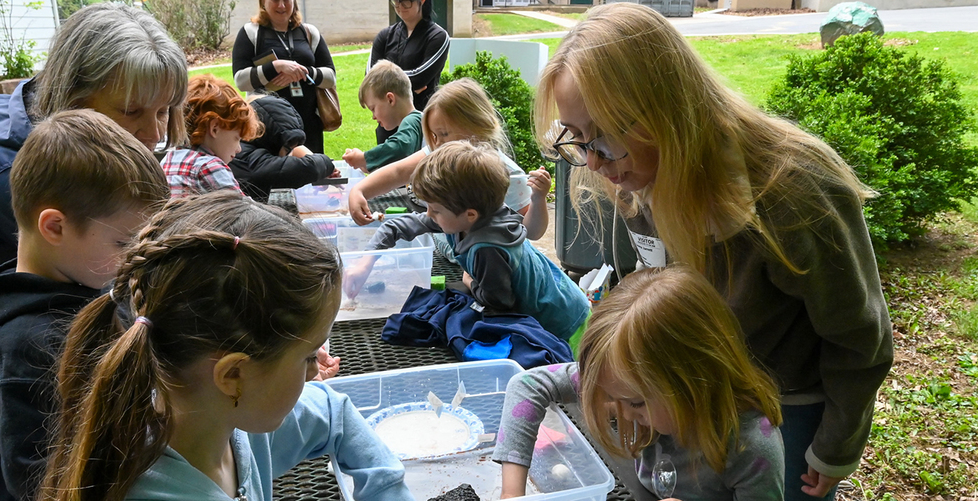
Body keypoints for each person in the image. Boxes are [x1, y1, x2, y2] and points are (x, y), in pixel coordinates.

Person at [535, 4, 893, 499]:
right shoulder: (633, 177)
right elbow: (644, 287)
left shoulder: (793, 191)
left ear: (667, 108)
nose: (593, 162)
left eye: (606, 135)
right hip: (686, 399)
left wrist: (836, 446)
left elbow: (858, 336)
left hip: (782, 410)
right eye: (577, 137)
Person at [37, 191, 412, 501]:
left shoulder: (222, 419)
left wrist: (386, 489)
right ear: (233, 374)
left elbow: (334, 412)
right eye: (308, 356)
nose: (316, 372)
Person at [0, 110, 170, 501]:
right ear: (54, 227)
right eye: (124, 244)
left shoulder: (87, 281)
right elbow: (38, 481)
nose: (137, 259)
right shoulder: (24, 347)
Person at [493, 266, 785, 500]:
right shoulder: (625, 376)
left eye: (634, 403)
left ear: (693, 381)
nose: (619, 412)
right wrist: (512, 494)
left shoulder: (752, 448)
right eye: (611, 397)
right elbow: (527, 384)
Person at [0, 2, 188, 275]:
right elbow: (114, 280)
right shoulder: (12, 175)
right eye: (130, 111)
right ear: (73, 99)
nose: (155, 134)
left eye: (163, 111)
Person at [345, 141, 589, 347]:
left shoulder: (487, 249)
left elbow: (501, 303)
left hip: (563, 323)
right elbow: (395, 226)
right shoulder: (464, 215)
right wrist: (365, 263)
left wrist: (470, 281)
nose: (428, 215)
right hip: (566, 299)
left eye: (435, 209)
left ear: (470, 214)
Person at [348, 78, 551, 242]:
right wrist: (360, 190)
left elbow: (531, 232)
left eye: (444, 133)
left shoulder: (508, 175)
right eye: (434, 136)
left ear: (478, 125)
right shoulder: (440, 152)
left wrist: (538, 199)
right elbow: (398, 172)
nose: (437, 144)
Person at [232, 0, 337, 153]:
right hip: (268, 127)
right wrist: (276, 67)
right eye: (275, 0)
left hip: (308, 124)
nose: (281, 5)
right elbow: (241, 81)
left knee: (312, 172)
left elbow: (330, 76)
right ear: (263, 3)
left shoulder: (309, 32)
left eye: (286, 0)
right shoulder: (250, 33)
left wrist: (301, 72)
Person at [162, 74, 262, 198]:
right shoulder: (209, 167)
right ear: (214, 128)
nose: (238, 149)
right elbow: (244, 212)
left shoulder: (168, 160)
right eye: (237, 138)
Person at [229, 94, 338, 203]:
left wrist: (312, 159)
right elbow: (310, 168)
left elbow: (295, 151)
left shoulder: (248, 146)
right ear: (273, 140)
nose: (288, 154)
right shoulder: (252, 162)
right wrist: (327, 164)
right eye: (287, 148)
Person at [367, 0, 449, 143]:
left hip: (421, 123)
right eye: (395, 1)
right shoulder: (385, 36)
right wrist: (409, 87)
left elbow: (420, 77)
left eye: (405, 1)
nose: (399, 6)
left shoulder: (438, 36)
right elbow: (370, 78)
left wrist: (385, 78)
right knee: (386, 163)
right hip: (387, 124)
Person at [342, 60, 423, 173]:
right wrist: (368, 165)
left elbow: (400, 148)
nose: (373, 117)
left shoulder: (412, 121)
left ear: (390, 99)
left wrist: (364, 158)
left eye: (373, 109)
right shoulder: (415, 122)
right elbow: (398, 161)